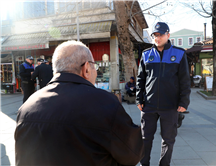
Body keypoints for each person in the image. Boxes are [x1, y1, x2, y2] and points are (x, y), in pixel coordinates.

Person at [15, 41, 144, 166]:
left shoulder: (27, 106)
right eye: (95, 66)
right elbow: (132, 154)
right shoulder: (105, 102)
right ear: (86, 68)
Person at [136, 22, 191, 166]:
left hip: (170, 106)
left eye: (160, 34)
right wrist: (138, 99)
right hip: (149, 105)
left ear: (168, 35)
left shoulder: (179, 54)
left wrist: (183, 102)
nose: (157, 38)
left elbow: (185, 80)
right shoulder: (146, 54)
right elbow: (140, 79)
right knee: (145, 138)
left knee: (168, 140)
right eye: (155, 35)